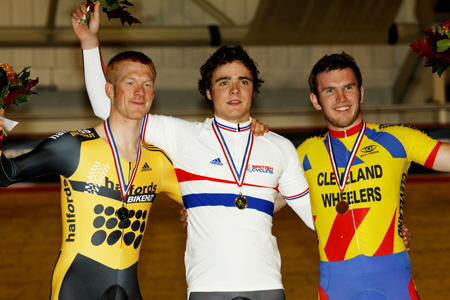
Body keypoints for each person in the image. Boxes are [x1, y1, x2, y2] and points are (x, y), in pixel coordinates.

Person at [72, 3, 314, 299]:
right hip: (205, 290)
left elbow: (317, 216)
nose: (235, 90)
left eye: (243, 82)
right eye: (224, 82)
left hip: (269, 288)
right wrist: (88, 43)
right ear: (209, 92)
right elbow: (111, 110)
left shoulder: (279, 146)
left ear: (254, 90)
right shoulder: (183, 136)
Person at [0, 50, 183, 299]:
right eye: (130, 82)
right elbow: (5, 174)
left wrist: (249, 131)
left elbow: (211, 202)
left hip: (128, 288)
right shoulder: (72, 146)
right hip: (76, 286)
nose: (139, 91)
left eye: (147, 84)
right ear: (110, 90)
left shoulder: (159, 161)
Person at [296, 52, 450, 299]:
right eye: (329, 91)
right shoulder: (304, 154)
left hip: (394, 282)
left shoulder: (398, 139)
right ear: (315, 100)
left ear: (362, 92)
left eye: (349, 87)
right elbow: (261, 200)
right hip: (335, 286)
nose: (341, 98)